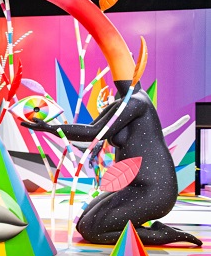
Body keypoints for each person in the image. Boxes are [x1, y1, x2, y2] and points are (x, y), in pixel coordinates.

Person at [22, 80, 202, 246]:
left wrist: (51, 128)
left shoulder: (137, 102)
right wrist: (52, 127)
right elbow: (90, 131)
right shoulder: (121, 103)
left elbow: (94, 132)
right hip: (132, 187)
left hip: (153, 192)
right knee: (83, 223)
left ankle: (163, 234)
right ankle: (141, 228)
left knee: (92, 230)